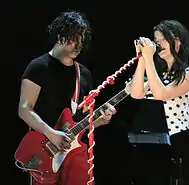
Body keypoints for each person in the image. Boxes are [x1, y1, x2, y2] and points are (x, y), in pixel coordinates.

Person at [17, 10, 116, 185]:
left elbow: (81, 120)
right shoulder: (38, 67)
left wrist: (99, 120)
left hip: (76, 153)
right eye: (73, 39)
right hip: (45, 149)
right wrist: (51, 133)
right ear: (60, 35)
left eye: (81, 40)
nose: (78, 45)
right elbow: (24, 109)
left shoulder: (83, 74)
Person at [129, 20, 189, 185]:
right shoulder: (159, 75)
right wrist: (142, 58)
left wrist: (149, 58)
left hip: (176, 145)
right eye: (156, 40)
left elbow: (162, 94)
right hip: (150, 144)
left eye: (163, 39)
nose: (158, 44)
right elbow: (135, 94)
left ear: (177, 41)